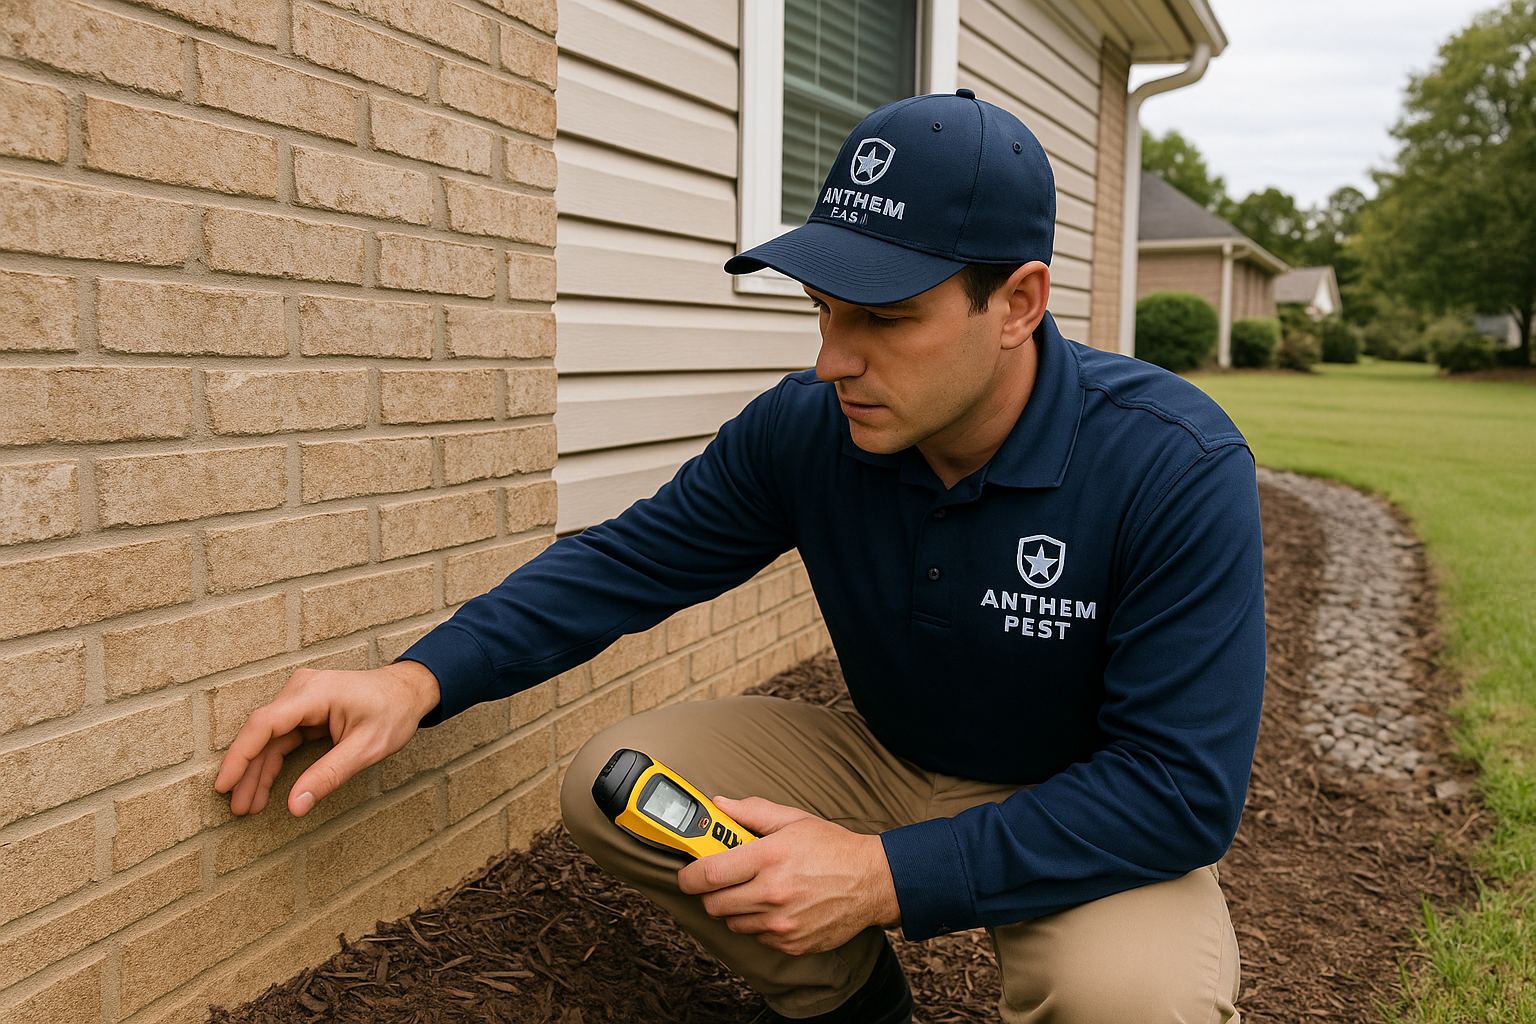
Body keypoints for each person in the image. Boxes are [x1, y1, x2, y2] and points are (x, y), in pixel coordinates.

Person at [216, 91, 1264, 1024]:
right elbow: (627, 562)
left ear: (1019, 305)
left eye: (885, 319)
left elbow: (1177, 788)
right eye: (822, 310)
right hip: (891, 759)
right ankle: (853, 1007)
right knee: (618, 786)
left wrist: (877, 874)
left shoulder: (1173, 465)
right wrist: (415, 679)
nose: (832, 360)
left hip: (1081, 795)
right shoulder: (809, 429)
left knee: (1136, 1000)